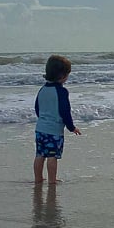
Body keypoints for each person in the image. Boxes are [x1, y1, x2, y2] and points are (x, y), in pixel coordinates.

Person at [34, 54, 82, 185]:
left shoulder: (42, 89)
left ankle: (38, 178)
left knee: (40, 155)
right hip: (54, 131)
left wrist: (43, 120)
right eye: (67, 74)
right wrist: (71, 127)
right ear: (62, 76)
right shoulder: (62, 92)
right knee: (52, 156)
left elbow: (37, 108)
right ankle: (52, 180)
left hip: (40, 129)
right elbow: (65, 111)